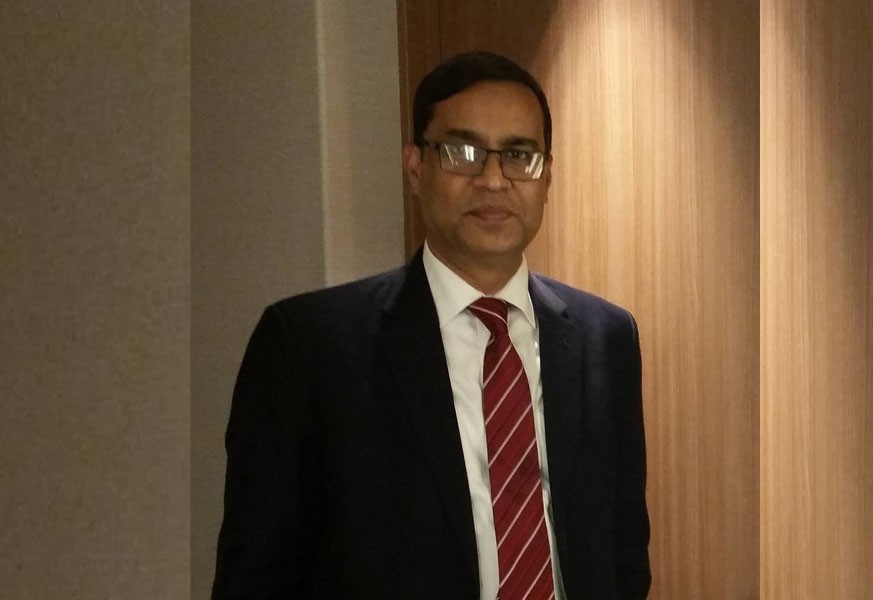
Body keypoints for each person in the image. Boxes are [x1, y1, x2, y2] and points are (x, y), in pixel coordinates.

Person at [212, 51, 650, 600]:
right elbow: (256, 575)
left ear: (546, 177)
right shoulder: (309, 346)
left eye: (519, 155)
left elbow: (625, 554)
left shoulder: (605, 338)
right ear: (416, 168)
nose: (493, 180)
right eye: (463, 153)